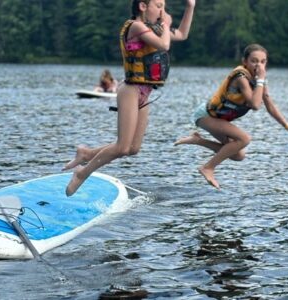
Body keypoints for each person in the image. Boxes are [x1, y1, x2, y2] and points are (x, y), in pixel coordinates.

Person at [64, 0, 196, 196]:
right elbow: (164, 44)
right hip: (130, 90)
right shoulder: (136, 26)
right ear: (143, 6)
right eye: (158, 6)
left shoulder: (155, 29)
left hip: (145, 93)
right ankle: (82, 173)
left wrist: (190, 7)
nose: (162, 11)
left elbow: (183, 34)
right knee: (122, 146)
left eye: (164, 6)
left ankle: (86, 153)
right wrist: (166, 25)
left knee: (132, 149)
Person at [174, 44, 288, 190]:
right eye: (254, 61)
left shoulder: (259, 81)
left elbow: (270, 105)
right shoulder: (241, 77)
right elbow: (255, 105)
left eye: (263, 62)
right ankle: (208, 168)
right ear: (245, 61)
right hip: (206, 116)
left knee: (238, 155)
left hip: (219, 119)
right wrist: (261, 80)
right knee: (244, 138)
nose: (259, 65)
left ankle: (198, 140)